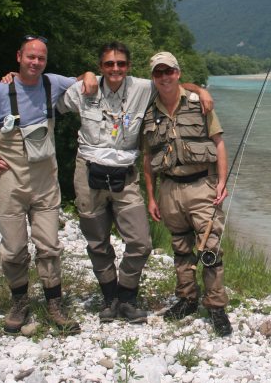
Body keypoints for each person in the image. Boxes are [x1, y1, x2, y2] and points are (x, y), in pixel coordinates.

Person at [56, 42, 213, 323]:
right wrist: (82, 76)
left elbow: (171, 85)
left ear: (128, 67)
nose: (115, 69)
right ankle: (109, 299)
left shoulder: (143, 87)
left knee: (141, 242)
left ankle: (127, 296)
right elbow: (53, 100)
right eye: (108, 64)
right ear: (101, 67)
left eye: (121, 64)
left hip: (126, 175)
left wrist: (200, 91)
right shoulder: (84, 89)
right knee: (97, 241)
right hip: (88, 172)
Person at [0, 34, 96, 335]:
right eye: (30, 57)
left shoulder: (53, 84)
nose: (35, 62)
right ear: (19, 57)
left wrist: (91, 75)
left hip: (45, 182)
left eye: (41, 58)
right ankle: (19, 303)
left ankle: (55, 304)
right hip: (10, 182)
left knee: (50, 246)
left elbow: (84, 79)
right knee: (15, 248)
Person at [142, 51, 232, 337]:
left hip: (200, 187)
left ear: (178, 73)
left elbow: (218, 144)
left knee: (210, 249)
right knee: (180, 248)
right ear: (153, 77)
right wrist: (152, 196)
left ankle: (216, 306)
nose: (164, 77)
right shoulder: (149, 111)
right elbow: (147, 158)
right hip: (168, 189)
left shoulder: (199, 104)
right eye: (158, 73)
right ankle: (186, 300)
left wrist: (221, 182)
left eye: (169, 71)